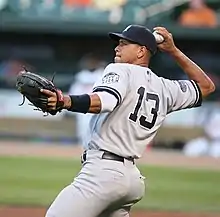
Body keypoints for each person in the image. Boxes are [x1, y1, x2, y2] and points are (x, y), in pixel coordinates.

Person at [41, 25, 215, 217]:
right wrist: (174, 51)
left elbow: (104, 101)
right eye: (118, 43)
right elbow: (205, 86)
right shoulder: (164, 87)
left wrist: (66, 101)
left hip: (103, 173)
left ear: (141, 51)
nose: (117, 47)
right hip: (131, 179)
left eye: (124, 43)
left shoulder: (120, 70)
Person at [67, 53, 105, 146]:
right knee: (82, 130)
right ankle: (83, 149)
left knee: (96, 130)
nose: (90, 64)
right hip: (82, 105)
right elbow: (75, 90)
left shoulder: (102, 73)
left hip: (96, 105)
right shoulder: (81, 75)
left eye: (92, 62)